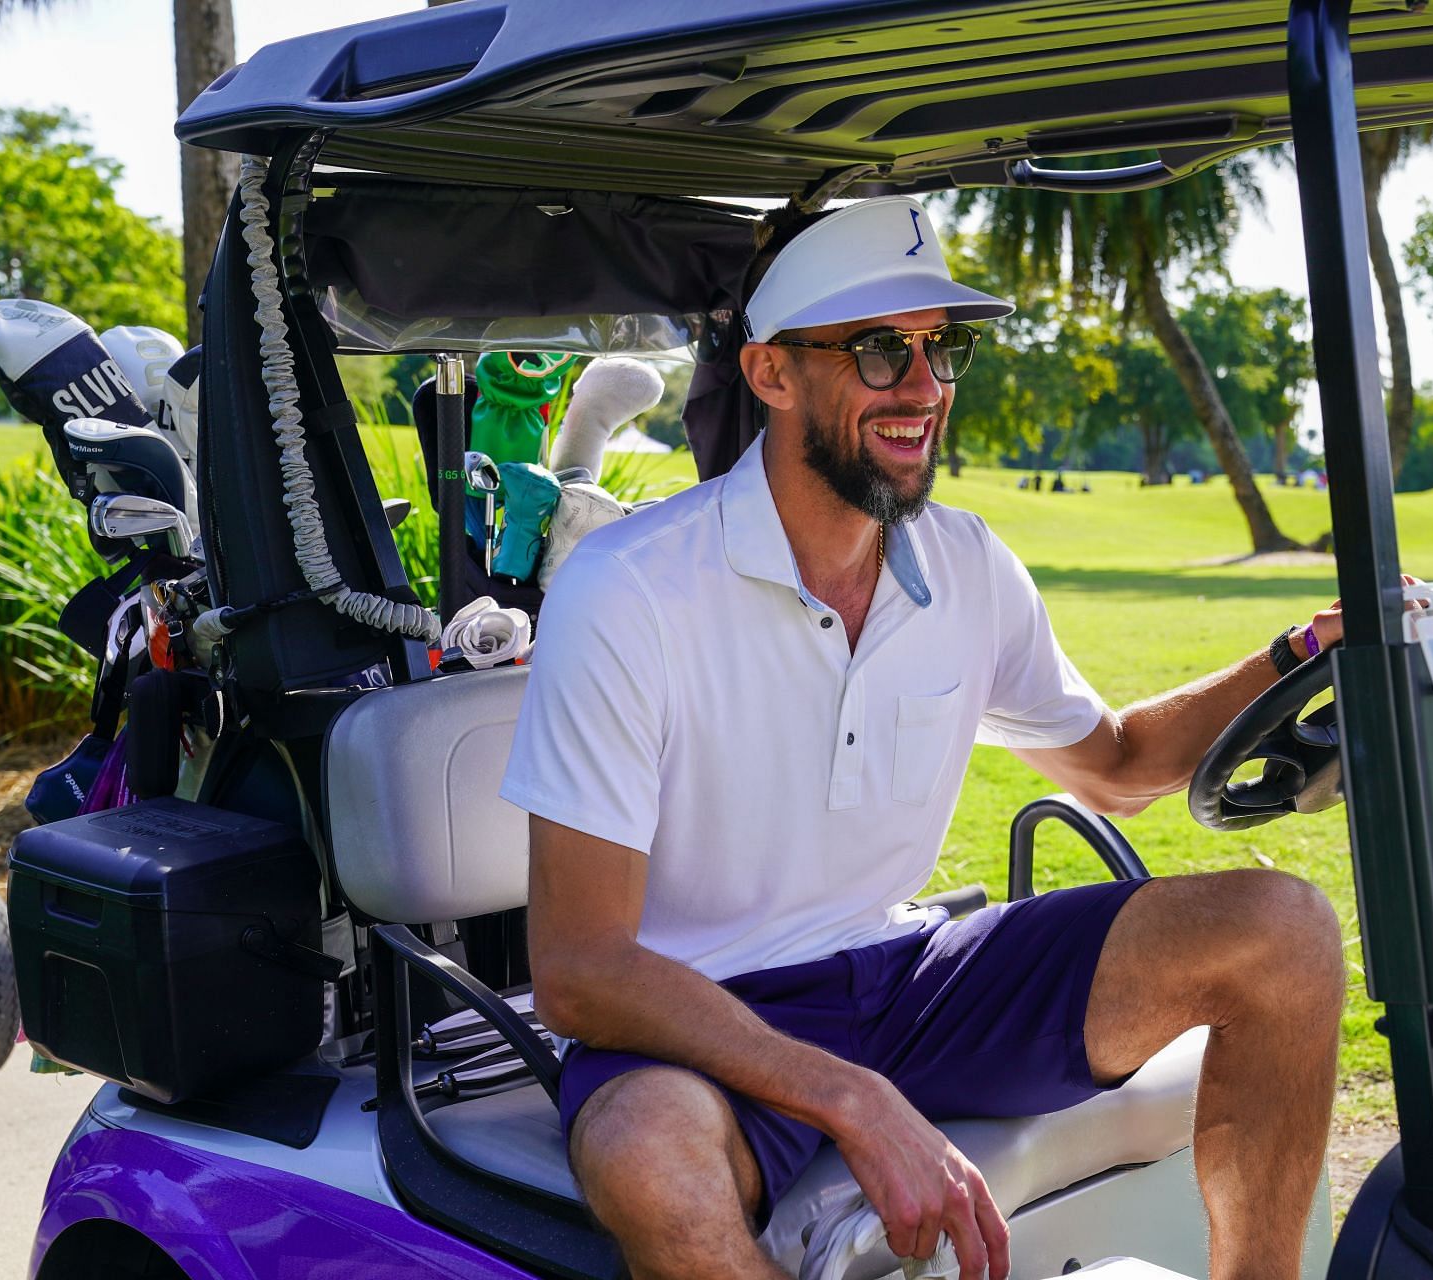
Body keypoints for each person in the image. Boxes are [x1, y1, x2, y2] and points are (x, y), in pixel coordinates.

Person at [506, 196, 1347, 1280]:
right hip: (698, 1017)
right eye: (877, 349)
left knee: (1281, 929)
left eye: (940, 349)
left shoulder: (966, 566)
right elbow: (579, 970)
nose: (923, 387)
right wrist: (853, 1096)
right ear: (770, 373)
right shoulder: (629, 592)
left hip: (907, 974)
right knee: (648, 1156)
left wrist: (1295, 655)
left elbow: (1120, 765)